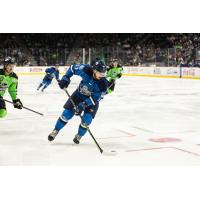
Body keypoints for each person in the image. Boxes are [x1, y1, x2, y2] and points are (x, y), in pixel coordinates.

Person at [48, 60, 108, 144]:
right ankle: (56, 130)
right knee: (66, 114)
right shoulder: (86, 69)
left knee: (86, 120)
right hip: (78, 96)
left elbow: (97, 98)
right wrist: (66, 78)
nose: (102, 75)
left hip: (91, 102)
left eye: (104, 73)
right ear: (94, 70)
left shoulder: (103, 83)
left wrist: (83, 105)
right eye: (100, 73)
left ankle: (79, 135)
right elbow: (72, 68)